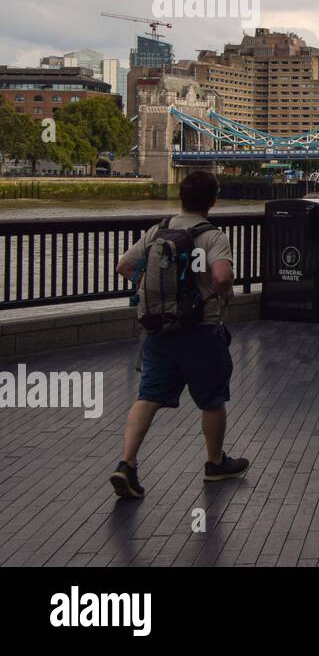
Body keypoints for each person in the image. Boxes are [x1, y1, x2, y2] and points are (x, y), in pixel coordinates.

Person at [109, 170, 248, 499]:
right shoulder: (213, 235)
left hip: (159, 329)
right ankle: (215, 463)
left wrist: (149, 290)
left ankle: (127, 463)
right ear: (213, 201)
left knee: (148, 398)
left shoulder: (159, 229)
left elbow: (124, 266)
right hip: (200, 331)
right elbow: (222, 276)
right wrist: (222, 294)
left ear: (181, 198)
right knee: (212, 400)